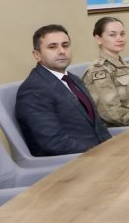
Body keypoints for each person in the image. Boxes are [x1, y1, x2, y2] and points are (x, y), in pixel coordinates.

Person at [15, 24, 111, 156]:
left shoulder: (73, 79)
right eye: (52, 47)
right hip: (71, 162)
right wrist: (100, 153)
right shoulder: (33, 90)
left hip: (101, 153)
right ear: (37, 55)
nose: (61, 51)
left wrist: (113, 147)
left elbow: (98, 126)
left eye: (65, 45)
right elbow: (54, 143)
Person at [82, 16, 129, 127]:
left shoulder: (127, 65)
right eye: (112, 35)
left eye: (122, 34)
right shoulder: (99, 71)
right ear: (98, 39)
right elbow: (111, 113)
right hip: (122, 130)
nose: (120, 39)